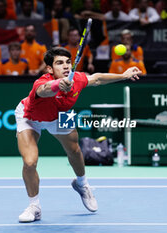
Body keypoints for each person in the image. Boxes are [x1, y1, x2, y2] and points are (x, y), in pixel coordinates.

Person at [15, 47, 142, 222]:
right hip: (30, 116)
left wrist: (123, 76)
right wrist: (58, 85)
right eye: (59, 63)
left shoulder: (78, 79)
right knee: (29, 162)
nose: (66, 66)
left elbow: (96, 78)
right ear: (50, 69)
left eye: (68, 62)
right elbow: (45, 90)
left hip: (60, 115)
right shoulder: (41, 83)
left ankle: (82, 184)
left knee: (75, 151)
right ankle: (34, 207)